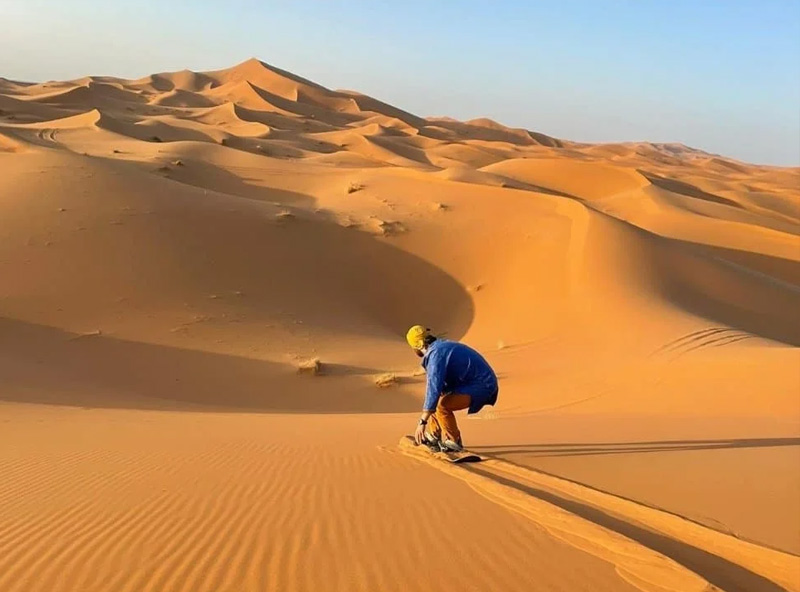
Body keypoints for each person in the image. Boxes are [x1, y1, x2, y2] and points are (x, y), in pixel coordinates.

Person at [406, 325, 498, 452]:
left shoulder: (435, 355)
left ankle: (454, 442)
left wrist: (422, 422)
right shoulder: (439, 347)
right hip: (475, 383)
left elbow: (434, 388)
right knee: (438, 399)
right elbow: (437, 390)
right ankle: (435, 436)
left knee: (442, 405)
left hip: (483, 385)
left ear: (417, 346)